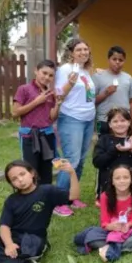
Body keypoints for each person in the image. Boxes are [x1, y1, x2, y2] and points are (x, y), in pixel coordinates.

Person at [0, 160, 81, 263]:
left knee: (32, 249)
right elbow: (4, 226)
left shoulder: (47, 191)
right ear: (12, 184)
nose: (20, 180)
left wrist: (72, 173)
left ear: (32, 173)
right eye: (14, 179)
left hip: (33, 239)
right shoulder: (11, 200)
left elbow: (73, 196)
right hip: (13, 237)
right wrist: (9, 244)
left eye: (22, 174)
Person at [72, 165, 132, 262]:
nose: (122, 181)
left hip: (131, 230)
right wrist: (112, 226)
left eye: (126, 177)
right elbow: (104, 222)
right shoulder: (105, 196)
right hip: (110, 232)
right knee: (91, 238)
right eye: (117, 178)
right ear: (112, 181)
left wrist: (128, 225)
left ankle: (111, 248)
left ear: (131, 180)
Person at [53, 38, 96, 217]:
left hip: (88, 119)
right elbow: (58, 93)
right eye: (79, 50)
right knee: (71, 159)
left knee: (81, 159)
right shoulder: (64, 70)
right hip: (71, 118)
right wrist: (70, 83)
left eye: (86, 50)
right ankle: (58, 201)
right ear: (71, 53)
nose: (83, 53)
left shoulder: (86, 71)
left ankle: (72, 196)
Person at [13, 59, 59, 186]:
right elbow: (15, 112)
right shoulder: (24, 89)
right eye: (44, 73)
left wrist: (58, 104)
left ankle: (46, 201)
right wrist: (36, 102)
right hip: (29, 137)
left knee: (46, 171)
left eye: (50, 75)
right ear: (36, 71)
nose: (47, 77)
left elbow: (51, 118)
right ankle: (31, 200)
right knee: (31, 170)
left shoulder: (50, 94)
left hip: (47, 136)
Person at [92, 107, 132, 196]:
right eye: (115, 121)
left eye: (123, 121)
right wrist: (114, 150)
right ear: (110, 124)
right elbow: (97, 162)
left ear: (129, 122)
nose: (119, 124)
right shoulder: (104, 140)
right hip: (108, 188)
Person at [92, 46, 132, 136]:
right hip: (104, 120)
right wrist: (106, 93)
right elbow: (91, 101)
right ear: (109, 59)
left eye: (120, 60)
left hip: (123, 121)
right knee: (104, 148)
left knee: (123, 148)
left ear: (124, 61)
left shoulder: (128, 78)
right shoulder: (98, 76)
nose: (117, 62)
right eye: (114, 59)